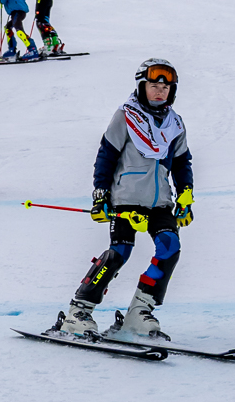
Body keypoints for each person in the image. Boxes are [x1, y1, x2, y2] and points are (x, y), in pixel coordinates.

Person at [45, 59, 192, 342]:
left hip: (160, 201)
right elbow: (106, 155)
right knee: (120, 252)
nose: (160, 91)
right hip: (125, 198)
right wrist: (100, 195)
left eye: (165, 87)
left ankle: (139, 313)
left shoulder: (175, 124)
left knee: (169, 248)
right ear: (141, 87)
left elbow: (182, 161)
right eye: (153, 85)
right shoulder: (125, 117)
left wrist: (186, 193)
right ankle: (79, 311)